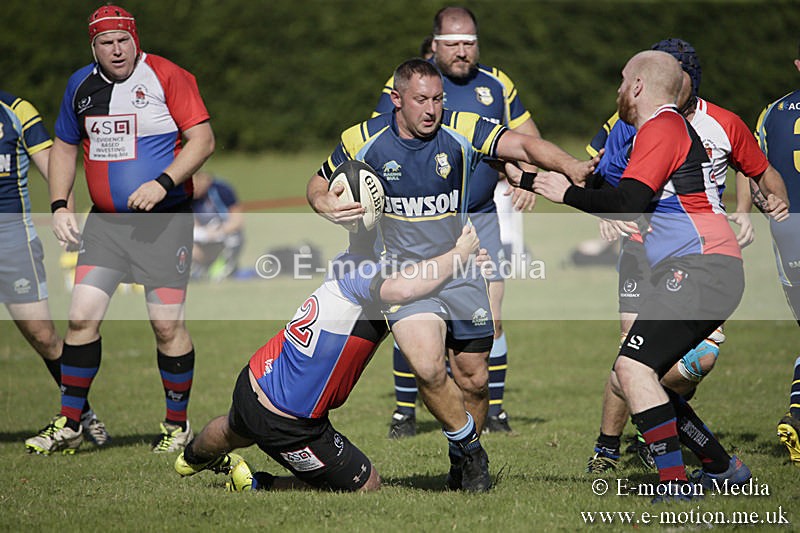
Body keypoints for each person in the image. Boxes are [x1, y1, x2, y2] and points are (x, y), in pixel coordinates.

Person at [308, 58, 597, 491]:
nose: (431, 109)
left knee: (474, 380)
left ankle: (461, 455)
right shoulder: (363, 139)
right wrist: (325, 204)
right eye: (421, 100)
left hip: (462, 270)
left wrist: (570, 166)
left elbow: (524, 147)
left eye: (438, 99)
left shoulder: (463, 128)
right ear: (396, 100)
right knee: (427, 367)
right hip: (403, 277)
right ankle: (475, 453)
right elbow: (317, 183)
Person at [529, 50, 788, 501]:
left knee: (633, 369)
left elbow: (626, 199)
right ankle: (723, 467)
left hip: (701, 266)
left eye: (622, 80)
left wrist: (566, 194)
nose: (617, 90)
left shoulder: (663, 127)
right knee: (628, 376)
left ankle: (675, 486)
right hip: (704, 267)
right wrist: (533, 178)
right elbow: (617, 190)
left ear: (638, 87)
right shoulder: (657, 130)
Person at [25, 4, 215, 455]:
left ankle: (176, 426)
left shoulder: (168, 76)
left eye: (123, 40)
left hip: (165, 224)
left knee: (166, 326)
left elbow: (203, 140)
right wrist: (59, 204)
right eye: (106, 42)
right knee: (80, 317)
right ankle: (70, 422)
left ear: (136, 39)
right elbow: (65, 148)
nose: (116, 50)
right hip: (106, 226)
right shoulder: (80, 85)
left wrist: (163, 182)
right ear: (94, 46)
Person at [173, 226, 486, 492]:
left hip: (255, 379)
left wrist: (463, 263)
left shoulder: (350, 261)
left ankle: (190, 459)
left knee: (232, 428)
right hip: (289, 422)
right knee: (367, 484)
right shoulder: (370, 275)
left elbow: (421, 278)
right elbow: (406, 289)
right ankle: (259, 484)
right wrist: (460, 253)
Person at [374, 6, 540, 437]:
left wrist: (526, 175)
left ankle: (494, 412)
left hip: (480, 216)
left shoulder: (497, 83)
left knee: (491, 314)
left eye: (470, 42)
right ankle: (404, 412)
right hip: (419, 222)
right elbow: (379, 140)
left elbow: (527, 140)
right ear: (435, 43)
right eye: (454, 43)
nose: (463, 51)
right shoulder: (412, 83)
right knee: (412, 310)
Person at [1, 89, 109, 448]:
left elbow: (55, 167)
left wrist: (66, 216)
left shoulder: (16, 111)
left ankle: (78, 413)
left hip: (12, 243)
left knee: (44, 337)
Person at [750, 42, 800, 466]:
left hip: (789, 237)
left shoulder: (771, 114)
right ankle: (799, 413)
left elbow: (755, 178)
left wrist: (767, 205)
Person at [191, 171, 244, 282]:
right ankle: (199, 268)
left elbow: (237, 221)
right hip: (204, 236)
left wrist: (219, 231)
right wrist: (203, 233)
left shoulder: (221, 190)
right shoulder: (189, 196)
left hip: (222, 232)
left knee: (234, 238)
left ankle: (225, 267)